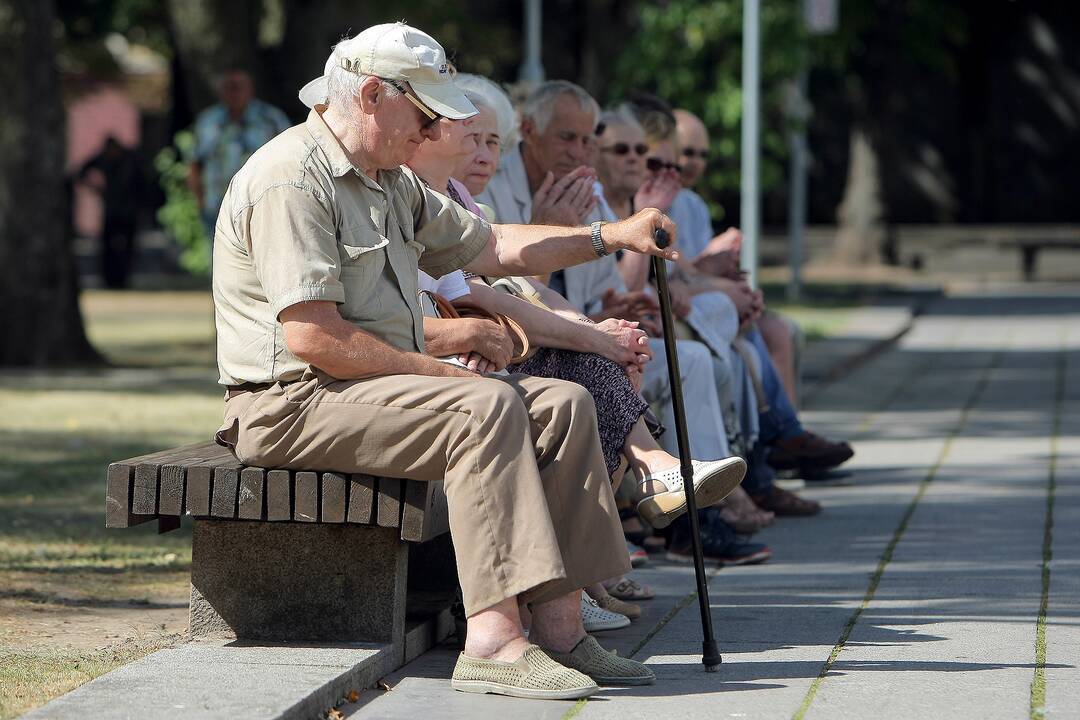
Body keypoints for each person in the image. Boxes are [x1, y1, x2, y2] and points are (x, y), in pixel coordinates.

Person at [211, 23, 737, 700]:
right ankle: (493, 640)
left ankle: (564, 631)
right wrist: (447, 374)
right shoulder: (292, 180)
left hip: (358, 392)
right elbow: (315, 341)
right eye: (426, 111)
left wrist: (609, 235)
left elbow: (490, 248)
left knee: (562, 403)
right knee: (485, 404)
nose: (434, 130)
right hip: (291, 404)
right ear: (372, 95)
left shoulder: (384, 181)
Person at [187, 69, 291, 236]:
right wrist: (199, 202)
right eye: (229, 87)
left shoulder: (271, 119)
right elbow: (194, 164)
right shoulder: (208, 121)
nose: (234, 92)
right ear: (221, 91)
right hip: (216, 210)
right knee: (217, 261)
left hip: (262, 207)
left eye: (239, 87)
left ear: (250, 90)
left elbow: (290, 160)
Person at [77, 136, 142, 288]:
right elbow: (81, 172)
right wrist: (95, 188)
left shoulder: (131, 159)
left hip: (128, 211)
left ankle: (124, 279)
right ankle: (108, 279)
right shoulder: (103, 159)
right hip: (112, 211)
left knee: (127, 249)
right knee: (107, 249)